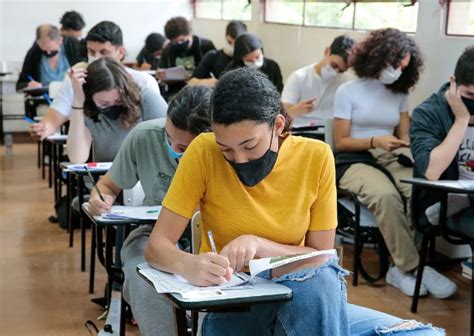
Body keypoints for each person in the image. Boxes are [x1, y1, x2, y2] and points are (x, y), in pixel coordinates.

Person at [144, 67, 444, 335]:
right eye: (227, 149)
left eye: (249, 145)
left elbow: (321, 256)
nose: (239, 159)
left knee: (423, 333)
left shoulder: (315, 156)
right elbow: (157, 247)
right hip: (236, 305)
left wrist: (258, 245)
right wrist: (188, 263)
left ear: (277, 125)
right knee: (321, 288)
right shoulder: (202, 152)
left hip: (302, 294)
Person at [333, 28, 456, 299]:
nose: (398, 72)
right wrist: (376, 140)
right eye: (394, 66)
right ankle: (413, 267)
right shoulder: (348, 91)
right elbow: (340, 141)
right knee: (385, 195)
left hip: (389, 156)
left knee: (420, 192)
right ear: (376, 58)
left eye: (403, 68)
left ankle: (400, 270)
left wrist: (416, 142)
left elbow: (404, 136)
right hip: (353, 159)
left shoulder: (399, 93)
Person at [88, 85, 212, 336]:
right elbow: (108, 184)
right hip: (152, 232)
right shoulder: (144, 136)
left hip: (211, 235)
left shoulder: (226, 148)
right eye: (169, 138)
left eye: (185, 147)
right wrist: (100, 198)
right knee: (141, 273)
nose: (173, 149)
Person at [29, 21, 166, 141]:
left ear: (120, 52)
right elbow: (56, 114)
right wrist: (44, 127)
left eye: (104, 52)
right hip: (92, 153)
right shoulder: (77, 78)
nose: (96, 57)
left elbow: (159, 129)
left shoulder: (143, 82)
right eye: (91, 52)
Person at [410, 46, 474, 239]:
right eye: (470, 95)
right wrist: (461, 120)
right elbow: (432, 170)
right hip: (445, 205)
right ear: (453, 83)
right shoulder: (429, 113)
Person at [66, 57, 165, 163]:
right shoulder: (88, 108)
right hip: (108, 177)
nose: (112, 106)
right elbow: (77, 158)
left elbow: (170, 142)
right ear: (90, 96)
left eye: (118, 101)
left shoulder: (146, 98)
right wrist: (77, 102)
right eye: (104, 103)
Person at [281, 35, 354, 141]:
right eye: (334, 65)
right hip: (301, 131)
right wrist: (297, 110)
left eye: (341, 70)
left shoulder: (344, 82)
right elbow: (283, 115)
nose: (336, 72)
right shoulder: (299, 77)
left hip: (329, 133)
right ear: (327, 51)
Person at [16, 24, 85, 91]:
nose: (48, 53)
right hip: (44, 99)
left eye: (51, 50)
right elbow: (20, 84)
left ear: (60, 40)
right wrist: (28, 85)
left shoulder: (73, 46)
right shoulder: (34, 52)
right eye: (44, 50)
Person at [188, 20, 247, 87]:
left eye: (236, 44)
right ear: (226, 36)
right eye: (230, 42)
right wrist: (211, 82)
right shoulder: (213, 56)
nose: (233, 46)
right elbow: (191, 82)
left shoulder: (249, 59)